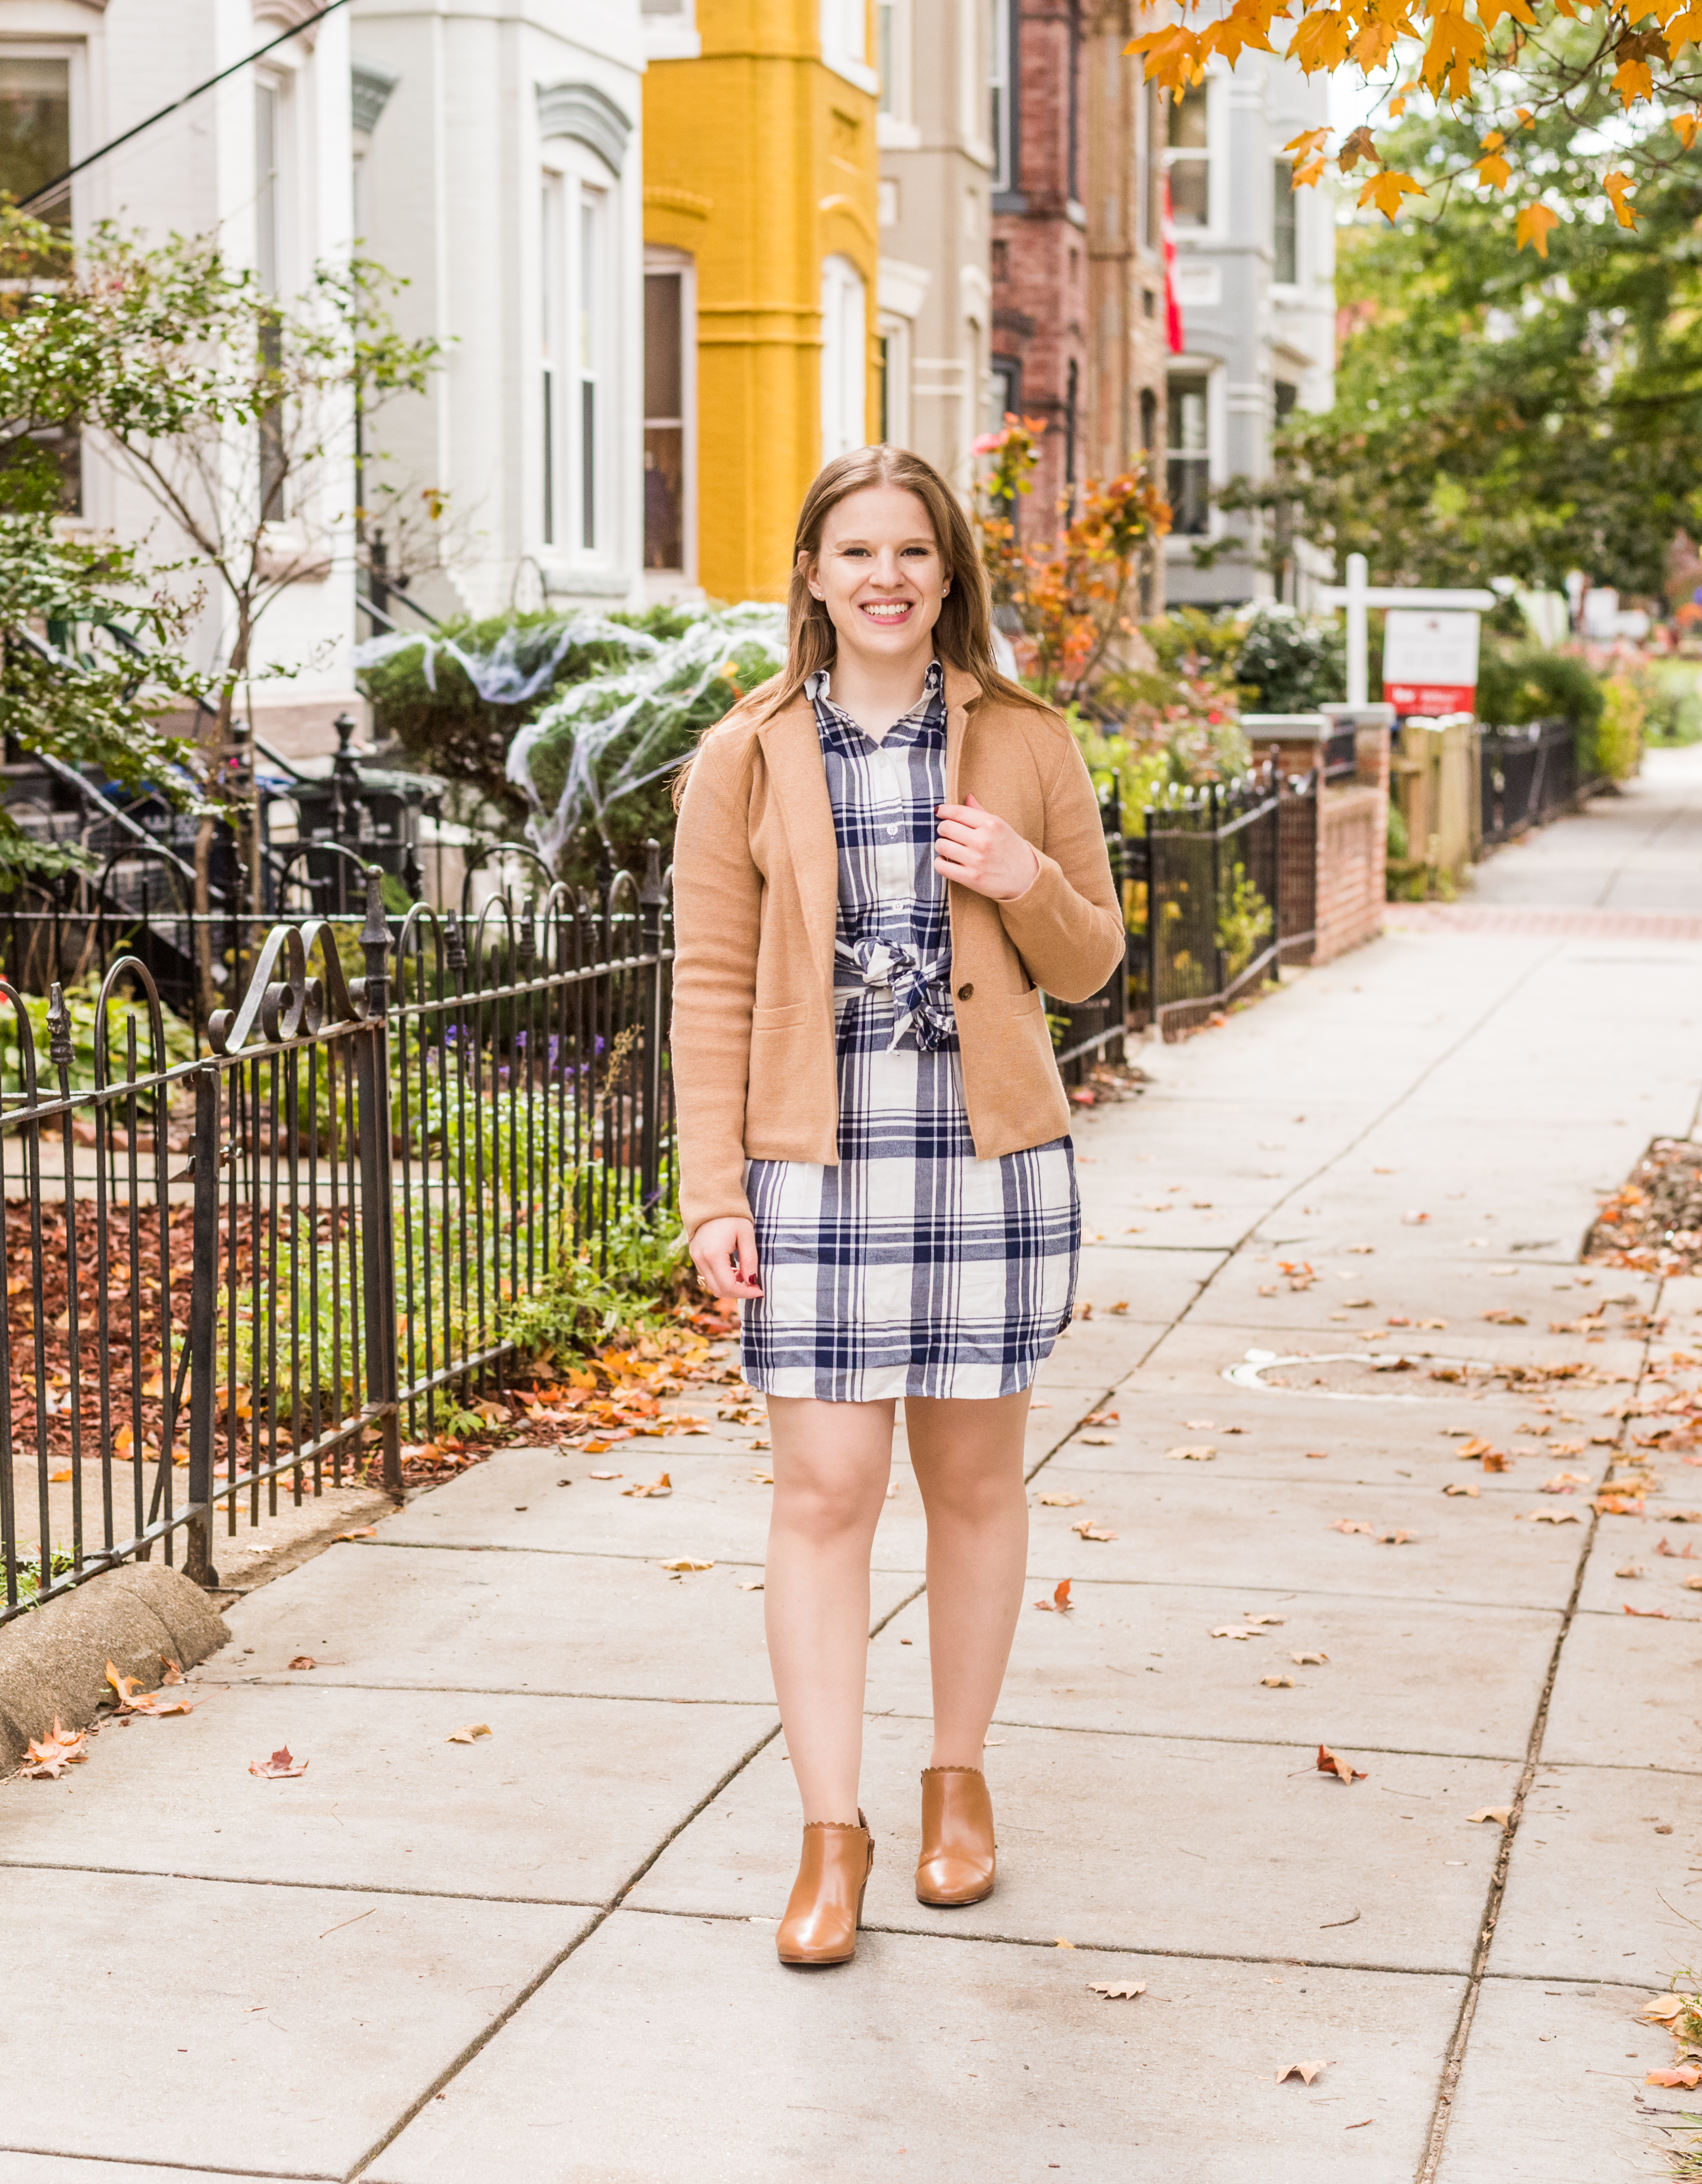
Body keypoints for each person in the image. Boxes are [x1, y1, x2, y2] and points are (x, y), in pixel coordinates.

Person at [669, 445, 1126, 1967]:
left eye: (911, 553)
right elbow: (712, 989)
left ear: (948, 576)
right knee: (823, 1491)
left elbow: (1093, 963)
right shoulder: (743, 754)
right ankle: (829, 1830)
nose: (883, 576)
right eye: (853, 551)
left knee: (977, 1486)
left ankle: (957, 1782)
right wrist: (710, 1192)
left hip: (984, 1163)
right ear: (810, 572)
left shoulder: (1028, 742)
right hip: (817, 1167)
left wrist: (1020, 871)